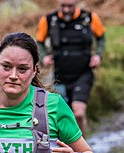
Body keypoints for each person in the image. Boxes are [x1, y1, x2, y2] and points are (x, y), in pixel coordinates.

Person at [36, 0, 106, 137]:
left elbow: (101, 37)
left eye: (70, 6)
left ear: (77, 4)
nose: (66, 10)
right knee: (62, 116)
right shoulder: (49, 20)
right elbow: (39, 42)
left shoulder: (89, 18)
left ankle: (83, 151)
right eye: (63, 6)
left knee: (78, 113)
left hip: (83, 74)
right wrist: (43, 57)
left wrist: (98, 55)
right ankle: (65, 149)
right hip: (59, 76)